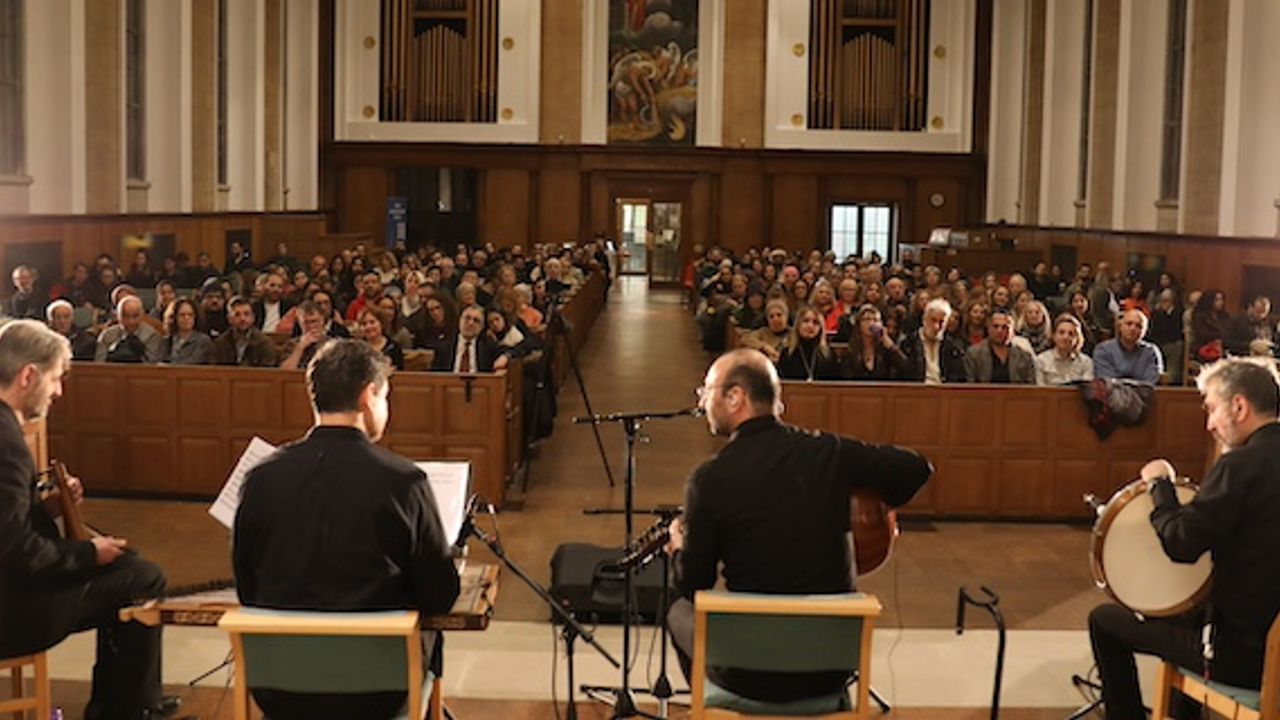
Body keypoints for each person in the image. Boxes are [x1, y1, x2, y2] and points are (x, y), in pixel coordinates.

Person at [665, 349, 932, 703]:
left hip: (749, 674)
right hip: (830, 670)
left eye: (707, 390)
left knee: (675, 605)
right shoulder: (830, 453)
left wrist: (679, 548)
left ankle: (713, 700)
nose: (701, 401)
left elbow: (693, 583)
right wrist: (874, 508)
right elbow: (916, 468)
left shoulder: (709, 479)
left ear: (735, 397)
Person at [233, 341, 461, 720]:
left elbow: (247, 587)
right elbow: (440, 595)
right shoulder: (404, 482)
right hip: (375, 691)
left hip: (280, 688)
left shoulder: (260, 478)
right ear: (368, 396)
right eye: (385, 397)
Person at [0, 320, 177, 720]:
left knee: (130, 567)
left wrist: (48, 508)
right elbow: (13, 549)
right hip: (14, 610)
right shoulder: (7, 444)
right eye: (55, 379)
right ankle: (129, 709)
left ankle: (122, 703)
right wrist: (87, 554)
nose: (58, 391)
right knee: (142, 579)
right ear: (28, 376)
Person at [1088, 357, 1280, 720]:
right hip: (1271, 640)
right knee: (1189, 615)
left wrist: (1161, 487)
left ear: (1239, 407)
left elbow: (1182, 544)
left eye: (1212, 409)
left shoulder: (1239, 466)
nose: (1210, 424)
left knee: (1105, 621)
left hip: (1242, 659)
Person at [898, 298, 968, 384]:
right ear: (924, 319)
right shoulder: (908, 344)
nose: (936, 327)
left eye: (941, 322)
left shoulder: (952, 347)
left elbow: (959, 377)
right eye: (933, 320)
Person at [429, 305, 510, 373]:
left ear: (482, 327)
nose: (470, 323)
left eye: (476, 321)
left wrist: (505, 356)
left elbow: (514, 350)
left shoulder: (488, 346)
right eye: (467, 318)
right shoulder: (444, 346)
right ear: (460, 320)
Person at [964, 309, 1035, 384]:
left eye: (1004, 327)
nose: (999, 331)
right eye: (996, 326)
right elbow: (969, 384)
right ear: (988, 328)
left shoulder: (1023, 356)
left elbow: (1030, 386)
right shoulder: (974, 354)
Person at [1093, 310, 1163, 384]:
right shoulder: (1103, 350)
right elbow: (1107, 382)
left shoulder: (1151, 352)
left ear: (1144, 331)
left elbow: (1149, 383)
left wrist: (1122, 382)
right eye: (1129, 324)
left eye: (1139, 326)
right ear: (1120, 326)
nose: (1133, 328)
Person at [775, 305, 841, 381]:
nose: (810, 326)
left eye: (815, 322)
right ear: (798, 325)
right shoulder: (787, 353)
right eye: (806, 321)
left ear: (820, 328)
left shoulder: (829, 354)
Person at [95, 295, 163, 364]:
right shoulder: (107, 335)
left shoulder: (152, 336)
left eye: (135, 316)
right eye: (125, 316)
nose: (131, 321)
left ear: (142, 315)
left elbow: (152, 365)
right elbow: (99, 364)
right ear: (118, 316)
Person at [211, 298, 278, 367]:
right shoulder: (220, 343)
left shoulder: (264, 343)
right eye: (237, 315)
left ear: (253, 318)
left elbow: (268, 370)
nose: (242, 318)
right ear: (229, 319)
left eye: (246, 314)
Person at [1034, 314, 1094, 385]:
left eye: (1071, 334)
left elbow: (1087, 388)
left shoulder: (1086, 362)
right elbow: (1040, 389)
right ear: (1054, 336)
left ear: (1077, 338)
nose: (1066, 337)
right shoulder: (1041, 361)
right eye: (1061, 332)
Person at [161, 298, 213, 365]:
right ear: (175, 317)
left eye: (190, 315)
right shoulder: (167, 341)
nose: (186, 318)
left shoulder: (203, 341)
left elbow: (193, 362)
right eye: (182, 315)